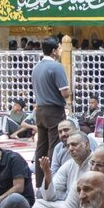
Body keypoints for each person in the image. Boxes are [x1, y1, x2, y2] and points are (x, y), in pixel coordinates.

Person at [31, 37, 72, 187]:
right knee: (55, 146)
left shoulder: (36, 68)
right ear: (54, 51)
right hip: (54, 111)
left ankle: (39, 183)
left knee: (41, 147)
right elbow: (65, 93)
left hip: (40, 110)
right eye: (59, 48)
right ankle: (52, 183)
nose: (60, 51)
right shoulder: (56, 67)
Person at [34, 131, 91, 208]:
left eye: (74, 145)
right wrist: (47, 174)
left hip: (88, 207)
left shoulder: (97, 163)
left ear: (86, 145)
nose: (70, 149)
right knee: (39, 205)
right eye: (68, 146)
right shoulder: (69, 164)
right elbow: (49, 197)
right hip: (69, 207)